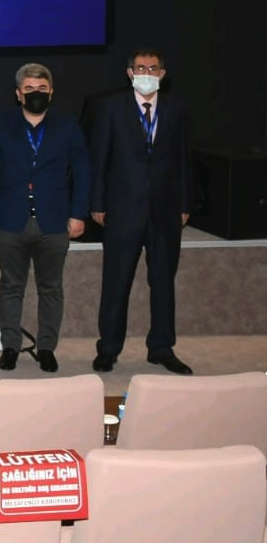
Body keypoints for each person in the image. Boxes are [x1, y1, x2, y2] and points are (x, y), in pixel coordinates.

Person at [90, 48, 193, 375]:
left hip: (166, 211)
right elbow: (99, 159)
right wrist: (97, 203)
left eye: (153, 68)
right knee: (116, 282)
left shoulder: (177, 109)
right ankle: (108, 349)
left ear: (162, 73)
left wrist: (185, 204)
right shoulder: (110, 108)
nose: (146, 73)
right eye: (140, 68)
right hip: (122, 210)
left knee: (163, 282)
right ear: (130, 73)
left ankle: (161, 348)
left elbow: (185, 159)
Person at [0, 63, 91, 373]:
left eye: (42, 89)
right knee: (11, 286)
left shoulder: (67, 125)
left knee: (51, 288)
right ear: (18, 93)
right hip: (10, 218)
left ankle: (47, 347)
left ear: (51, 92)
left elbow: (83, 170)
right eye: (30, 89)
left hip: (55, 220)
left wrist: (78, 214)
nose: (36, 93)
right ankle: (10, 346)